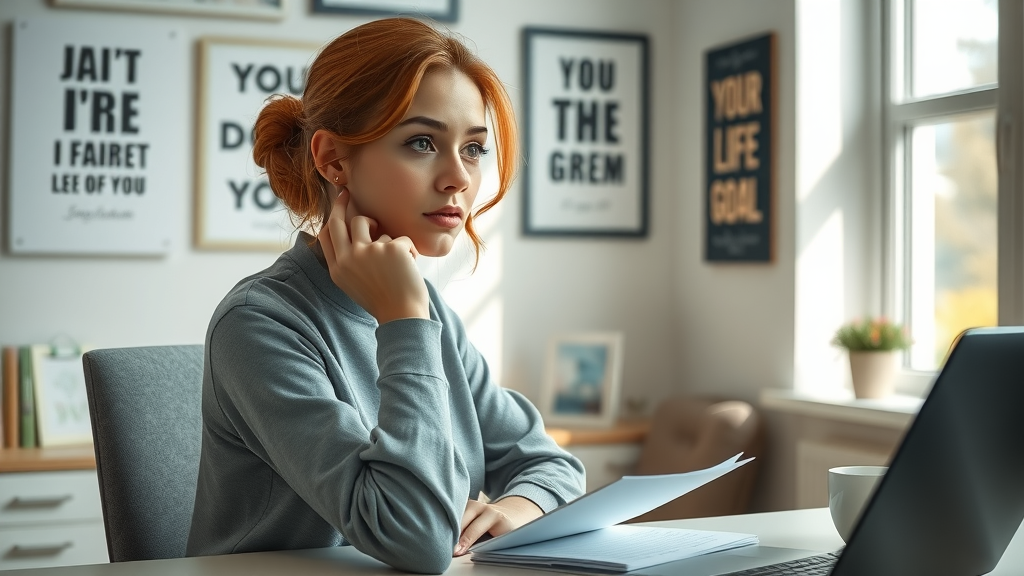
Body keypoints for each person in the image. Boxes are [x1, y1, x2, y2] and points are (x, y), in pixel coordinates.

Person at [185, 17, 586, 574]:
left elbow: (550, 463)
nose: (458, 178)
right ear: (332, 160)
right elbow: (416, 540)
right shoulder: (259, 324)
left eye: (472, 148)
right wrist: (403, 321)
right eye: (422, 143)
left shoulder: (424, 307)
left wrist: (517, 508)